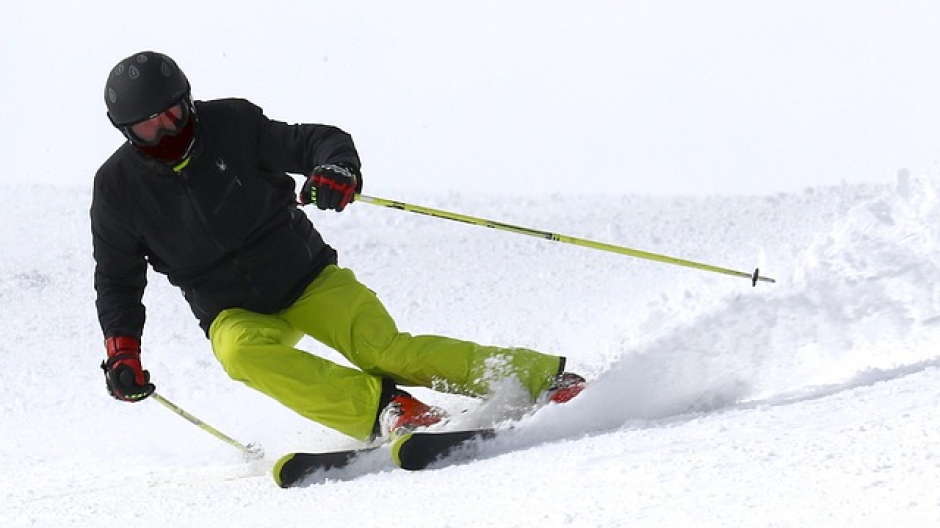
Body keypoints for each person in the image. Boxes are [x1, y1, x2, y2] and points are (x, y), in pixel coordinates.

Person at [93, 50, 585, 443]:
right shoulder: (117, 188)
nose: (165, 129)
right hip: (231, 309)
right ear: (126, 131)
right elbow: (117, 279)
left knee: (386, 351)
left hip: (306, 278)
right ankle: (387, 409)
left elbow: (318, 141)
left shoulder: (233, 125)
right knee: (240, 354)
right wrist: (123, 353)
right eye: (147, 125)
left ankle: (538, 378)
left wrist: (336, 169)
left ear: (188, 101)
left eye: (172, 113)